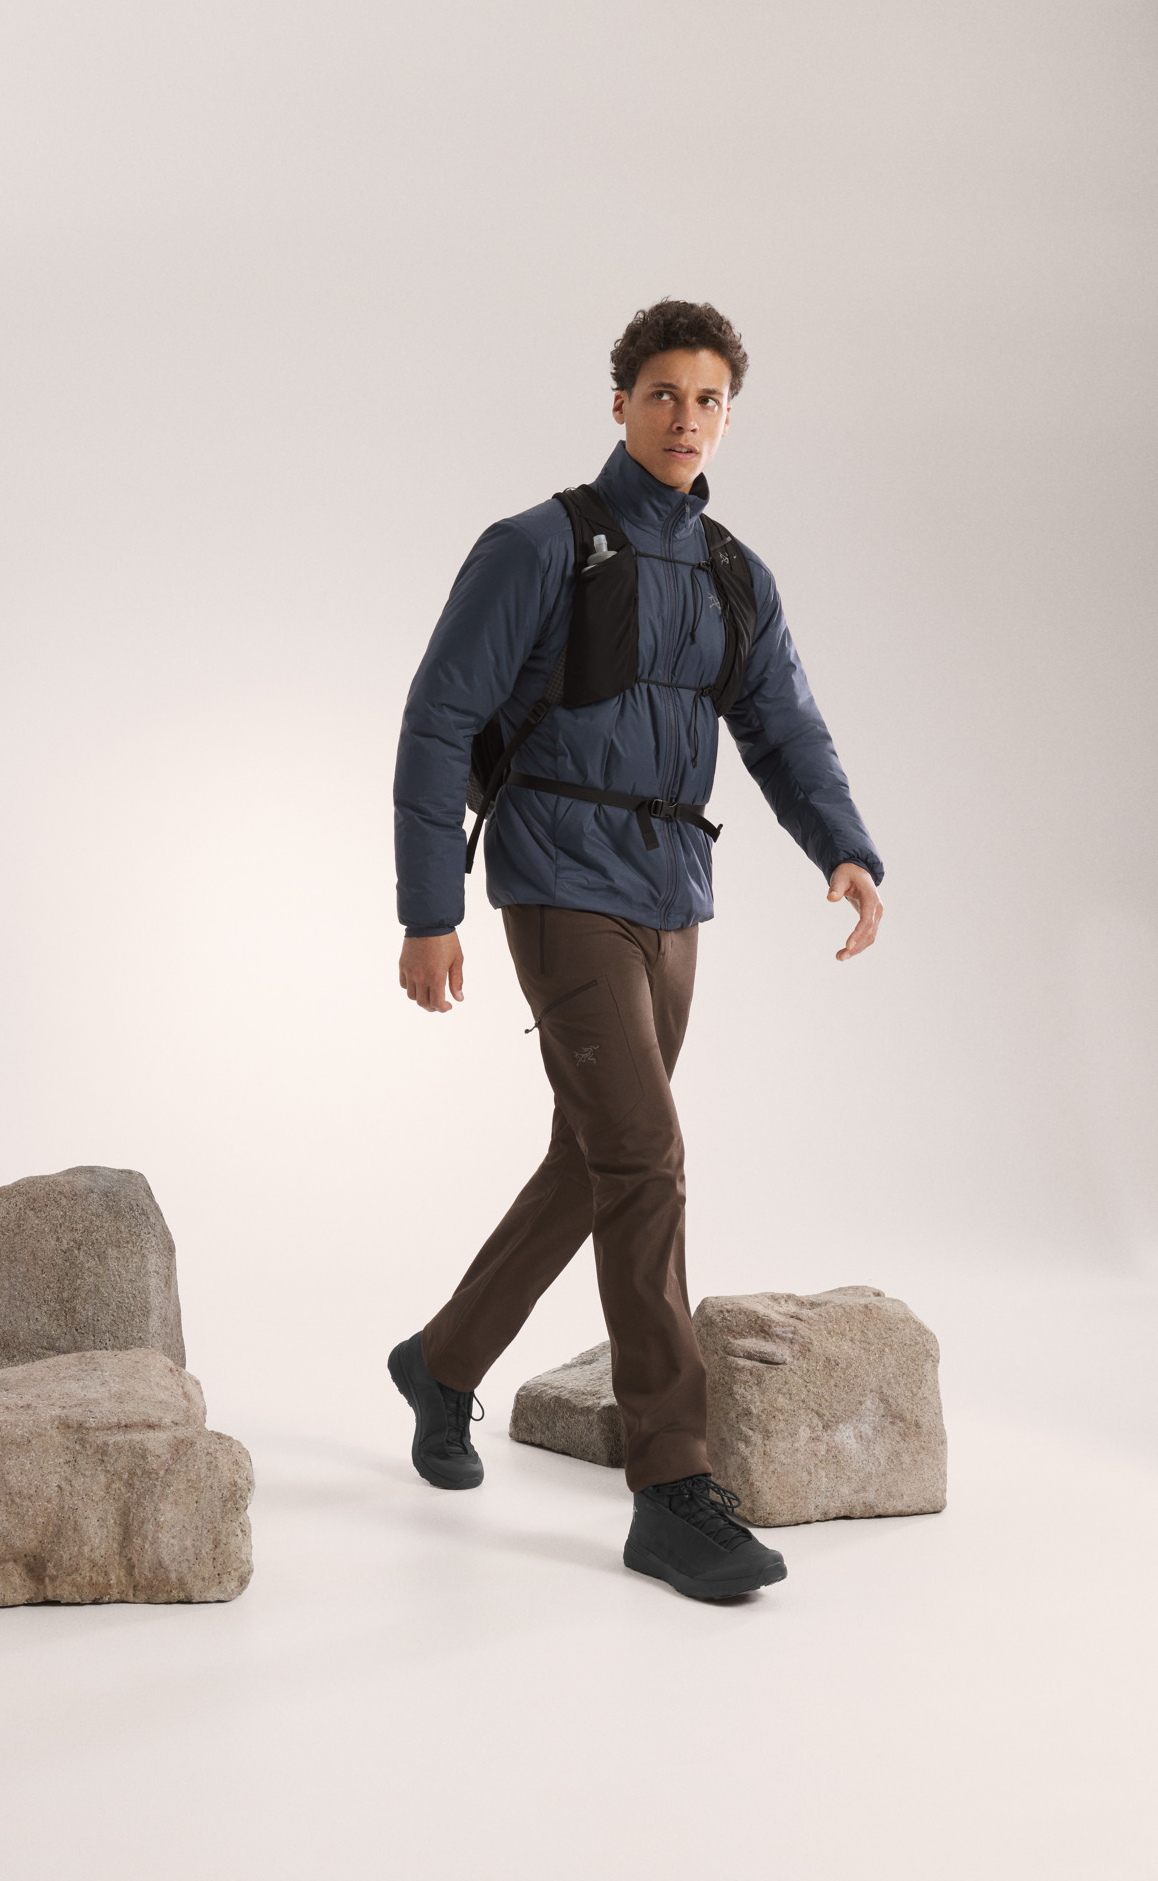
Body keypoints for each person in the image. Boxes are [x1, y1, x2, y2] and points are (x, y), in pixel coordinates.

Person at [388, 299, 884, 1601]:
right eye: (663, 393)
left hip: (673, 888)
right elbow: (439, 719)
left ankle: (441, 1363)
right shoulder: (537, 547)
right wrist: (431, 909)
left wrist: (843, 847)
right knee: (648, 1157)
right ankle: (672, 1487)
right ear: (620, 403)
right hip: (559, 879)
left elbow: (784, 726)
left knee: (598, 1156)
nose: (685, 418)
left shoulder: (733, 573)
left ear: (728, 416)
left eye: (709, 399)